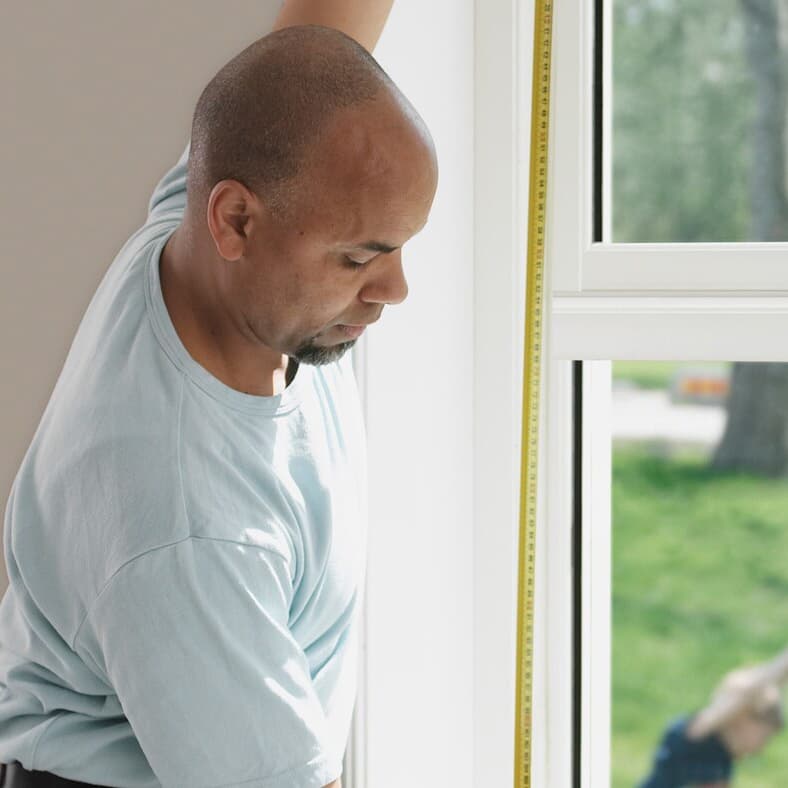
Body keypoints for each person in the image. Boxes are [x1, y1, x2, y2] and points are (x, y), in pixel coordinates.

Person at [0, 4, 439, 787]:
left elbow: (311, 59)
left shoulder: (200, 237)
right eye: (357, 258)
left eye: (401, 245)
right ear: (235, 222)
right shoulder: (187, 522)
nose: (394, 289)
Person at [637, 652, 788, 787]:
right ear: (742, 719)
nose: (761, 749)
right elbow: (750, 692)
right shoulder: (698, 735)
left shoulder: (723, 762)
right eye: (765, 737)